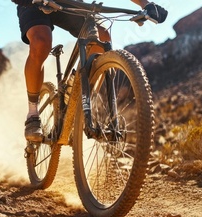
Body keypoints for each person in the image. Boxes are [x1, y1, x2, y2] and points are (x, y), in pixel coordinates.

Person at [11, 0, 168, 142]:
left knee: (103, 37)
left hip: (68, 2)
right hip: (33, 3)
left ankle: (77, 95)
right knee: (41, 42)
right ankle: (33, 114)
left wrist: (144, 4)